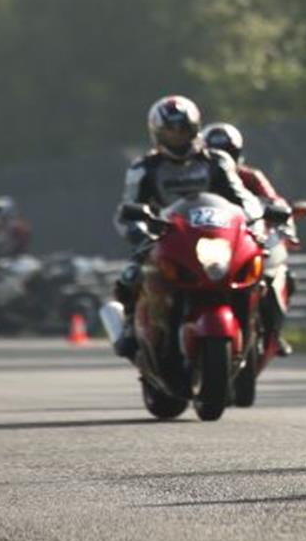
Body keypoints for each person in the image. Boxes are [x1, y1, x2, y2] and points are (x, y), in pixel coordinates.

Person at [110, 96, 264, 358]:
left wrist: (255, 220)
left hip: (215, 235)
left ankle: (256, 328)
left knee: (256, 271)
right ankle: (129, 327)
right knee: (130, 276)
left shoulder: (216, 161)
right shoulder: (143, 168)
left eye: (183, 130)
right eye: (171, 131)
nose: (177, 136)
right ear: (158, 133)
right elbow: (127, 210)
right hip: (166, 237)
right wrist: (140, 233)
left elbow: (242, 197)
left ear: (194, 129)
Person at [202, 122, 297, 357]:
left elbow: (274, 201)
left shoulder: (251, 176)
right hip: (207, 243)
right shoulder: (197, 176)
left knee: (277, 275)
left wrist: (284, 223)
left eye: (228, 152)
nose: (223, 158)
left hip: (245, 240)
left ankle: (273, 331)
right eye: (216, 152)